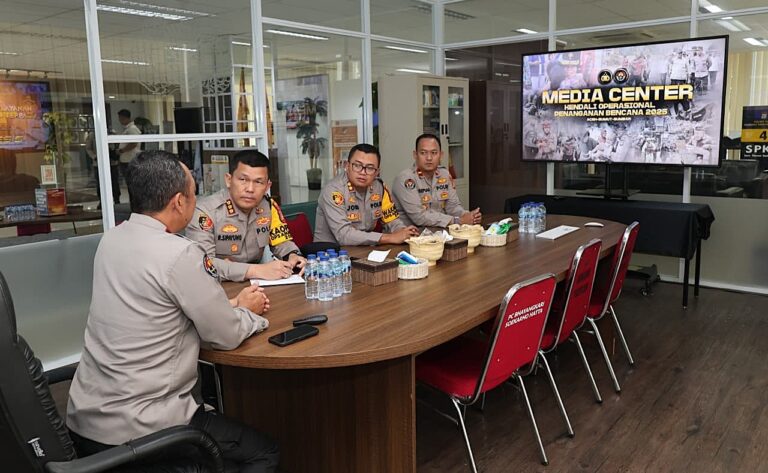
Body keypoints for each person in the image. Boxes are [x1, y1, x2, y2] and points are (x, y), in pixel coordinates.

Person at [66, 150, 279, 472]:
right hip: (145, 425)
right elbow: (225, 335)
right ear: (179, 202)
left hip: (85, 420)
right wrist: (250, 311)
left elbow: (156, 310)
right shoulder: (180, 254)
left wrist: (230, 304)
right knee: (264, 452)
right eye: (194, 194)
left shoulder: (111, 240)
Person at [186, 149, 305, 282]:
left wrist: (293, 255)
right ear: (229, 180)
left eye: (258, 182)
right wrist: (255, 270)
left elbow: (281, 241)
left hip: (256, 284)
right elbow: (204, 265)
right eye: (243, 179)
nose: (250, 189)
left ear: (267, 186)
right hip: (218, 286)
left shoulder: (268, 206)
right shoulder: (205, 212)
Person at [314, 143, 419, 245]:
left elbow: (391, 219)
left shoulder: (379, 187)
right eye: (357, 165)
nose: (363, 172)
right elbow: (344, 235)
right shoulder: (333, 190)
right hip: (329, 255)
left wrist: (403, 231)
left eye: (370, 168)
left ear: (377, 172)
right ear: (347, 166)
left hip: (363, 249)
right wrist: (390, 238)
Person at [391, 133, 481, 228]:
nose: (429, 158)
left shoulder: (444, 174)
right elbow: (419, 217)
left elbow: (453, 207)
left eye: (434, 153)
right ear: (415, 155)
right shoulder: (405, 179)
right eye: (423, 153)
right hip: (411, 237)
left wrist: (468, 215)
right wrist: (457, 221)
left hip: (439, 234)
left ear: (441, 155)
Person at [116, 109, 141, 185]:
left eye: (120, 118)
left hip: (130, 160)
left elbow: (134, 143)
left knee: (132, 184)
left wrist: (122, 150)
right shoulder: (127, 129)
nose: (119, 121)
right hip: (126, 159)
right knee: (129, 183)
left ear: (124, 118)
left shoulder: (132, 129)